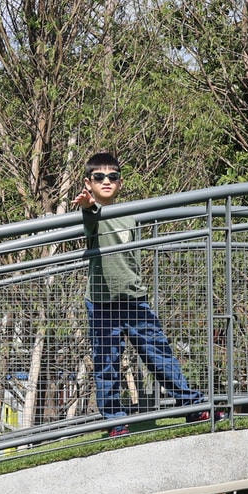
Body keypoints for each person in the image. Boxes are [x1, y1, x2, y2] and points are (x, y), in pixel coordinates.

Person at [72, 152, 209, 436]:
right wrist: (88, 205)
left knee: (159, 355)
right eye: (99, 177)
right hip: (101, 304)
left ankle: (191, 406)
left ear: (120, 183)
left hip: (134, 299)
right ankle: (115, 421)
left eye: (113, 177)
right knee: (106, 362)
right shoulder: (93, 212)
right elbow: (90, 220)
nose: (106, 181)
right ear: (89, 183)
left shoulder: (131, 215)